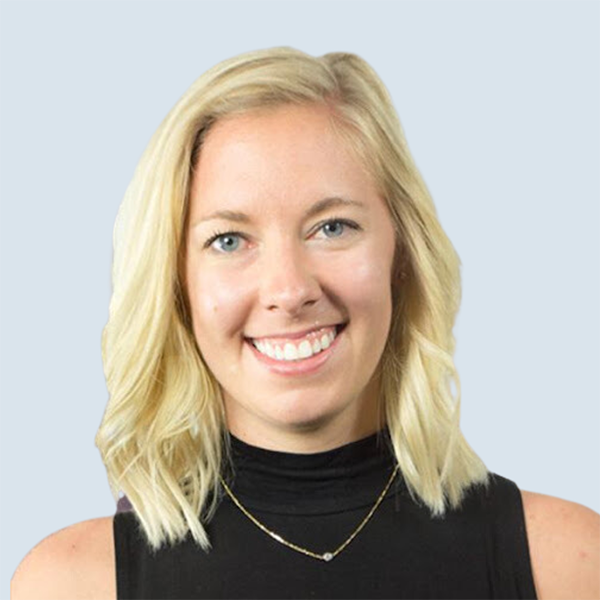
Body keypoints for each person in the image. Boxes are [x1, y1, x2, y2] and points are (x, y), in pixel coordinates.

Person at [11, 46, 600, 599]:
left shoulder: (568, 564)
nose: (290, 291)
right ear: (176, 285)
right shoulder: (74, 584)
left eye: (333, 227)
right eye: (229, 239)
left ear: (403, 254)